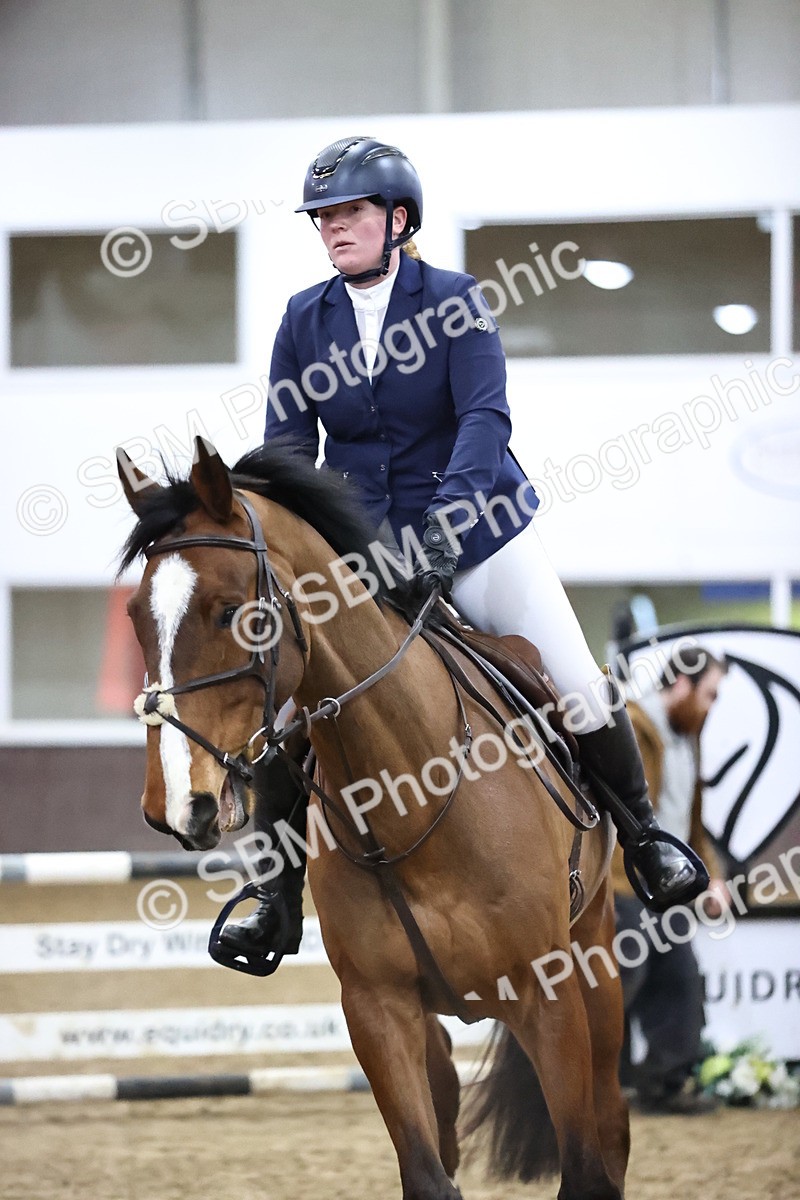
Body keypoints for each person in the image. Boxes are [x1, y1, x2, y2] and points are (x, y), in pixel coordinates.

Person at [219, 135, 707, 964]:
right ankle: (274, 896)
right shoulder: (304, 318)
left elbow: (485, 419)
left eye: (350, 212)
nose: (332, 227)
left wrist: (444, 529)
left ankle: (645, 839)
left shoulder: (455, 301)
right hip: (363, 555)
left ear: (397, 219)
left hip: (478, 534)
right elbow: (289, 448)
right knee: (285, 714)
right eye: (323, 216)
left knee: (579, 683)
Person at [613, 644, 728, 1115]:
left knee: (681, 980)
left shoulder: (688, 738)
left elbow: (690, 824)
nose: (712, 707)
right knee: (622, 977)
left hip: (666, 890)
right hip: (622, 883)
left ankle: (662, 1084)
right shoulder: (630, 728)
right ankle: (590, 1086)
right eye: (710, 694)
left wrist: (711, 878)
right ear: (681, 685)